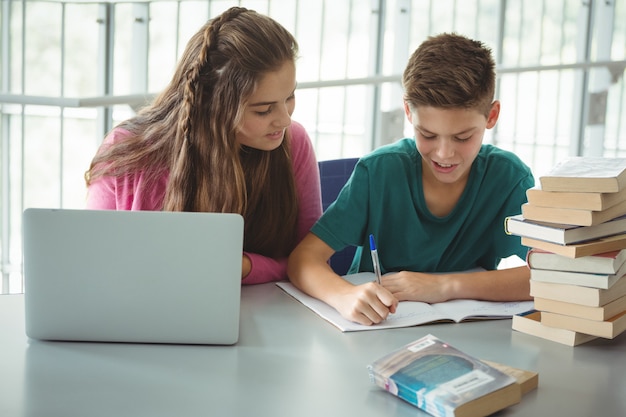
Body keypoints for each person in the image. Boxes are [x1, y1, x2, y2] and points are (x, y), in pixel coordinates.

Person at [287, 33, 535, 325]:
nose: (444, 153)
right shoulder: (378, 172)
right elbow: (303, 259)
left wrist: (445, 287)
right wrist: (343, 296)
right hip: (375, 333)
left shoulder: (509, 180)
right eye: (427, 135)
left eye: (463, 137)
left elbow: (557, 273)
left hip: (465, 337)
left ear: (491, 116)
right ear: (408, 111)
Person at [85, 7, 322, 285]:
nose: (284, 119)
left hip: (264, 313)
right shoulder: (128, 150)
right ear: (212, 104)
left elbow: (310, 260)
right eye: (263, 110)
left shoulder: (294, 143)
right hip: (141, 313)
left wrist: (244, 267)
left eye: (289, 97)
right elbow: (94, 261)